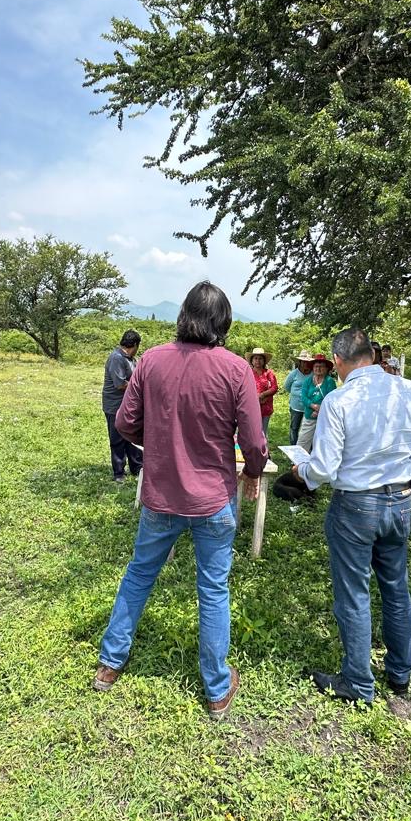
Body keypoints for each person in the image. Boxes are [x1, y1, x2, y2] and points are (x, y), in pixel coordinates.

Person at [93, 282, 267, 720]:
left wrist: (155, 447)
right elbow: (254, 442)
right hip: (213, 499)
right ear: (223, 323)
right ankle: (215, 688)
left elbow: (126, 421)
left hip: (161, 494)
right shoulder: (235, 369)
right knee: (212, 589)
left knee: (139, 575)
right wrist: (250, 471)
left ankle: (110, 664)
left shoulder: (150, 360)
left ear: (184, 316)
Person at [295, 328, 411, 704]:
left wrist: (302, 471)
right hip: (399, 501)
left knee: (353, 593)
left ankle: (358, 681)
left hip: (355, 505)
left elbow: (323, 467)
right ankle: (400, 674)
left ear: (337, 361)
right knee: (396, 588)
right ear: (372, 354)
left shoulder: (340, 400)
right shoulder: (409, 389)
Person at [101, 330, 143, 484]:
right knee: (117, 439)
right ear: (135, 345)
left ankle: (137, 467)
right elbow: (120, 384)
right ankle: (119, 472)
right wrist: (139, 387)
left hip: (127, 405)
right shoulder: (116, 358)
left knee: (131, 436)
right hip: (114, 405)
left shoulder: (131, 359)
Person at [296, 354, 336, 451]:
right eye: (316, 366)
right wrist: (313, 406)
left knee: (322, 443)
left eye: (321, 366)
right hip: (309, 416)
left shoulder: (330, 381)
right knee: (302, 441)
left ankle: (319, 464)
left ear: (326, 369)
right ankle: (298, 464)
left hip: (325, 417)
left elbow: (330, 399)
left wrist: (319, 411)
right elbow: (304, 397)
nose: (318, 368)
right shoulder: (308, 381)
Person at [282, 350, 314, 445]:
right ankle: (293, 448)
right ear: (299, 362)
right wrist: (297, 395)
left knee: (308, 428)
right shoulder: (294, 374)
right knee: (294, 428)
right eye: (304, 361)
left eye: (308, 362)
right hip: (296, 406)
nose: (306, 364)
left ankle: (307, 449)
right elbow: (287, 386)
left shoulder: (313, 374)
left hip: (309, 406)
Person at [248, 347, 278, 438]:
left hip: (266, 406)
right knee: (252, 430)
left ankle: (264, 450)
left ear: (264, 361)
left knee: (263, 431)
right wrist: (255, 397)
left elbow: (274, 387)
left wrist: (263, 395)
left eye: (260, 358)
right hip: (252, 406)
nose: (258, 361)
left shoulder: (269, 373)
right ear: (252, 361)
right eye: (255, 358)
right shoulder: (248, 373)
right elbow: (244, 388)